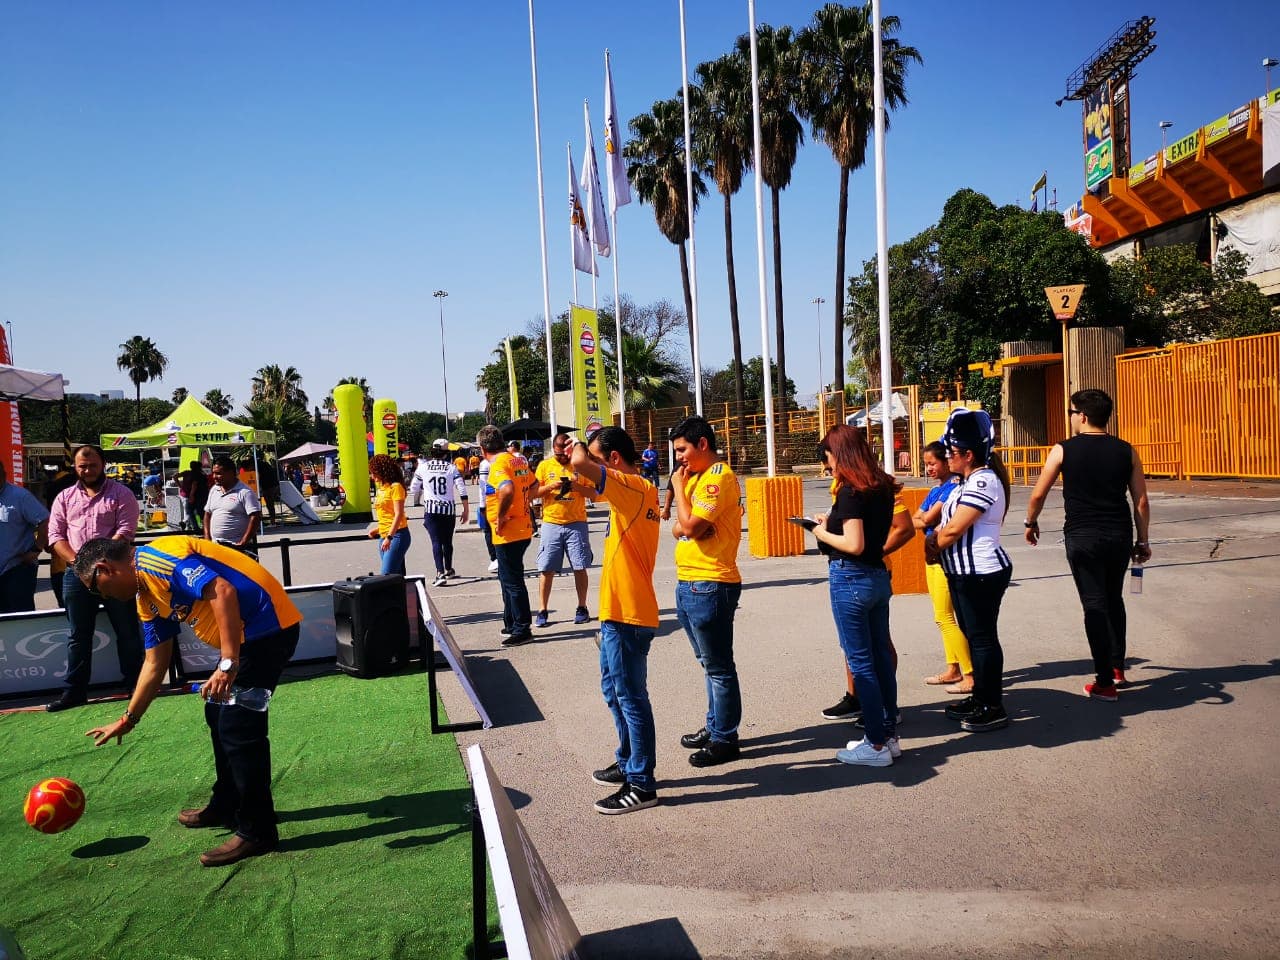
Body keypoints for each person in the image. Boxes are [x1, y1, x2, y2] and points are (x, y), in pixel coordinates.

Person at [80, 536, 302, 867]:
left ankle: (258, 831)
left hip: (268, 631)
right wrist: (128, 718)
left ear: (105, 569)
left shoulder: (157, 560)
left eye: (98, 588)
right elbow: (155, 663)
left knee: (239, 728)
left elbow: (222, 590)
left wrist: (228, 663)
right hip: (248, 639)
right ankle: (227, 804)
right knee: (217, 713)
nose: (103, 597)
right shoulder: (146, 597)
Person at [1025, 389, 1152, 699]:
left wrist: (1031, 522)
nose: (1070, 418)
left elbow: (1039, 493)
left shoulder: (1062, 450)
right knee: (1113, 599)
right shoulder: (1126, 450)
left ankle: (1104, 682)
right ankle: (1118, 668)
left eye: (1071, 412)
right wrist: (1143, 539)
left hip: (1082, 536)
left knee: (1094, 604)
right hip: (1118, 535)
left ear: (1082, 416)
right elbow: (1141, 500)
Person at [569, 427, 662, 814]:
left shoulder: (634, 486)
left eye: (596, 456)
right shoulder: (629, 492)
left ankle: (641, 783)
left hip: (628, 613)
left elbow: (578, 463)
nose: (588, 461)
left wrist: (575, 444)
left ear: (613, 459)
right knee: (614, 692)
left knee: (631, 697)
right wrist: (574, 486)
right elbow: (589, 485)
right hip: (617, 611)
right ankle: (628, 761)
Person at [810, 425, 899, 767]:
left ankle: (875, 744)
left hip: (851, 577)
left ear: (840, 453)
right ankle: (888, 736)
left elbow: (854, 544)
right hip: (877, 576)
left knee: (861, 663)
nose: (826, 464)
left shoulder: (850, 491)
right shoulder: (881, 485)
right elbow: (861, 534)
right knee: (879, 660)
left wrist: (819, 530)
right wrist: (831, 521)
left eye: (827, 456)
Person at [925, 409, 1013, 733]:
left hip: (980, 573)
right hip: (964, 573)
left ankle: (993, 705)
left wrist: (931, 546)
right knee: (975, 638)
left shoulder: (984, 480)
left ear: (968, 454)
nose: (947, 457)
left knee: (983, 639)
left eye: (952, 453)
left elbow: (952, 530)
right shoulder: (966, 480)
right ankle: (980, 696)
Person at [668, 416, 744, 768]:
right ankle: (715, 725)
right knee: (708, 663)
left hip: (711, 582)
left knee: (718, 666)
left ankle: (725, 738)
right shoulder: (697, 478)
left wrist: (678, 493)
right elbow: (682, 528)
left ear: (702, 444)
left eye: (682, 450)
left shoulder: (717, 477)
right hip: (691, 581)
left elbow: (693, 528)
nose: (679, 458)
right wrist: (684, 524)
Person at [45, 444, 143, 712]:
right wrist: (81, 564)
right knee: (78, 634)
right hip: (76, 574)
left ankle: (136, 684)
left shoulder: (121, 494)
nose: (87, 470)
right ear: (75, 468)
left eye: (92, 465)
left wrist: (101, 562)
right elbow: (56, 536)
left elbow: (125, 531)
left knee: (127, 630)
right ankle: (75, 691)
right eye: (82, 466)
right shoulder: (64, 497)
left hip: (115, 572)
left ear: (103, 464)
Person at [915, 441, 972, 694]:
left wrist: (922, 519)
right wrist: (921, 519)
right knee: (942, 617)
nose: (929, 468)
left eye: (933, 463)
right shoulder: (937, 489)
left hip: (942, 556)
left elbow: (925, 518)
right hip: (932, 555)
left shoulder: (952, 488)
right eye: (926, 464)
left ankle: (969, 672)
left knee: (945, 617)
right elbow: (918, 517)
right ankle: (954, 667)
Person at [533, 433, 597, 627]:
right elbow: (533, 493)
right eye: (559, 455)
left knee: (580, 566)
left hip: (576, 523)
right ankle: (542, 609)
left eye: (565, 455)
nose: (563, 459)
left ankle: (582, 606)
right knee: (546, 568)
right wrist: (551, 486)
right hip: (551, 523)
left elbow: (594, 494)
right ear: (553, 449)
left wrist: (577, 486)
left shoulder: (580, 466)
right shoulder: (544, 466)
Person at [479, 426, 536, 646]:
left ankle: (522, 628)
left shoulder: (498, 465)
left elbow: (507, 489)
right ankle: (512, 621)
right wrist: (522, 506)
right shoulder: (517, 460)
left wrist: (502, 515)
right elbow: (534, 485)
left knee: (512, 581)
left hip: (508, 531)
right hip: (522, 527)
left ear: (483, 449)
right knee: (507, 577)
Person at [409, 440, 469, 586]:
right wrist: (465, 509)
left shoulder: (423, 467)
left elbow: (413, 489)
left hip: (431, 510)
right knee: (447, 541)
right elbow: (461, 488)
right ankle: (448, 568)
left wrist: (427, 489)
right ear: (446, 452)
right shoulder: (451, 468)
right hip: (448, 509)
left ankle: (440, 573)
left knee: (436, 542)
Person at [0, 461, 49, 613]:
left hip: (17, 567)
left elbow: (46, 522)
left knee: (20, 619)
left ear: (4, 475)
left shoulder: (20, 496)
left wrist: (36, 549)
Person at [203, 456, 262, 554]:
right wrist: (207, 537)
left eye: (218, 473)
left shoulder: (245, 492)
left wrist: (244, 541)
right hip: (215, 548)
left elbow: (255, 516)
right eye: (213, 473)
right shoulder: (214, 489)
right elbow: (207, 514)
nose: (214, 476)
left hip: (236, 549)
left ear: (230, 473)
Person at [368, 454, 411, 576]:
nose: (372, 476)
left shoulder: (395, 487)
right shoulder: (382, 488)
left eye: (374, 472)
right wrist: (377, 530)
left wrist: (389, 537)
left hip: (397, 536)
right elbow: (387, 515)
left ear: (383, 471)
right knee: (395, 576)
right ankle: (402, 595)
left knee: (386, 575)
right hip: (384, 535)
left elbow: (398, 514)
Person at [475, 452, 498, 573]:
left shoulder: (485, 464)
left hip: (491, 502)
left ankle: (495, 558)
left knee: (489, 530)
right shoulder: (507, 459)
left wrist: (482, 505)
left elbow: (482, 486)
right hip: (507, 499)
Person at [176, 464, 209, 534]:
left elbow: (194, 484)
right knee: (199, 511)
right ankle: (204, 526)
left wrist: (191, 495)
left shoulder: (190, 473)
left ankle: (194, 526)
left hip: (193, 495)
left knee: (190, 511)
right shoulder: (202, 474)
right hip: (202, 495)